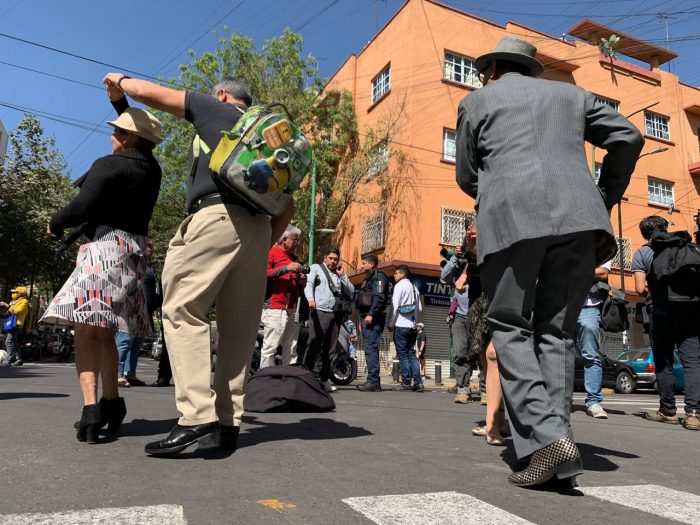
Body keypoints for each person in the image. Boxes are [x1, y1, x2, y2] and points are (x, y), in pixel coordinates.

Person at [456, 35, 643, 486]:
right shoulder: (572, 95)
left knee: (509, 323)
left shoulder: (477, 101)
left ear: (492, 69)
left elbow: (466, 174)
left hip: (512, 218)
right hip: (581, 220)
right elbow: (629, 136)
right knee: (557, 331)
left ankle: (546, 440)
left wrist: (496, 193)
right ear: (527, 68)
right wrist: (604, 194)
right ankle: (557, 442)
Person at [102, 72, 294, 456]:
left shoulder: (217, 110)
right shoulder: (271, 140)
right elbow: (287, 205)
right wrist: (256, 245)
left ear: (222, 94)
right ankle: (227, 422)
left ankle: (196, 417)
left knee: (181, 309)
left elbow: (152, 94)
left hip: (215, 216)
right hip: (259, 229)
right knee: (238, 332)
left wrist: (119, 81)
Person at [41, 90, 163, 444]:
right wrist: (119, 102)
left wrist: (55, 222)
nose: (111, 135)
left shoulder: (109, 164)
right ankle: (113, 401)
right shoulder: (151, 170)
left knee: (86, 330)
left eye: (116, 131)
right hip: (133, 254)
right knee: (106, 331)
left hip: (104, 250)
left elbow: (83, 205)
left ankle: (91, 410)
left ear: (126, 138)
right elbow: (140, 132)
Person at [632, 216, 699, 431]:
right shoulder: (686, 246)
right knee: (692, 363)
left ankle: (668, 410)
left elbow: (640, 289)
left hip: (661, 312)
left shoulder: (644, 252)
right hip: (691, 310)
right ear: (665, 228)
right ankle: (694, 414)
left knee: (664, 361)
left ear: (644, 233)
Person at [303, 248, 354, 393]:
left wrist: (343, 275)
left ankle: (324, 379)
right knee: (314, 344)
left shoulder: (338, 276)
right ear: (325, 258)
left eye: (335, 259)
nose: (333, 261)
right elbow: (309, 284)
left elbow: (351, 292)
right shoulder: (316, 268)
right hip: (320, 312)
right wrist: (311, 300)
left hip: (335, 315)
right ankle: (306, 377)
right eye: (331, 258)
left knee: (330, 350)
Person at [260, 225, 305, 368]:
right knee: (270, 347)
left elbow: (295, 281)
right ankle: (265, 379)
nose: (297, 243)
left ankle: (288, 379)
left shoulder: (294, 257)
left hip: (292, 308)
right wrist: (286, 268)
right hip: (274, 306)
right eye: (295, 240)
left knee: (291, 347)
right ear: (284, 239)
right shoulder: (271, 253)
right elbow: (263, 273)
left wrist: (301, 280)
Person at [575, 261, 612, 419]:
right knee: (560, 355)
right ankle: (559, 400)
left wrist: (572, 269)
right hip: (561, 305)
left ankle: (594, 401)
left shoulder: (600, 244)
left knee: (591, 355)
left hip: (589, 306)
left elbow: (603, 272)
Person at [441, 231, 473, 403]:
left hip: (480, 312)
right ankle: (463, 388)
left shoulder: (483, 258)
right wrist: (455, 259)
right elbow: (444, 277)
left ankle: (485, 390)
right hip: (459, 315)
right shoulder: (458, 262)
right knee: (460, 352)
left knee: (483, 355)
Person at [355, 254, 390, 392]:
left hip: (374, 318)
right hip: (367, 318)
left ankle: (373, 381)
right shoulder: (369, 277)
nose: (362, 266)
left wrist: (370, 314)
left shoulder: (379, 277)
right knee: (370, 349)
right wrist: (361, 319)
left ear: (371, 264)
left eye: (364, 263)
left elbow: (379, 297)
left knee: (370, 348)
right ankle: (374, 381)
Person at [388, 265, 423, 391]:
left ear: (402, 274)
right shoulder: (414, 288)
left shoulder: (399, 286)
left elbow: (394, 305)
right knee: (411, 354)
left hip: (400, 325)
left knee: (402, 354)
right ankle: (418, 382)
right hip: (412, 326)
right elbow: (419, 308)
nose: (394, 275)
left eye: (396, 273)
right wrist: (416, 322)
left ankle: (406, 382)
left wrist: (390, 324)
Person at [1, 285, 30, 366]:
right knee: (14, 342)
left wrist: (7, 306)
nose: (13, 293)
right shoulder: (13, 301)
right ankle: (18, 359)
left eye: (15, 292)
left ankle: (8, 360)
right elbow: (9, 313)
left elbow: (18, 311)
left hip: (16, 324)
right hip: (10, 323)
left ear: (20, 293)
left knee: (8, 341)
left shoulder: (24, 301)